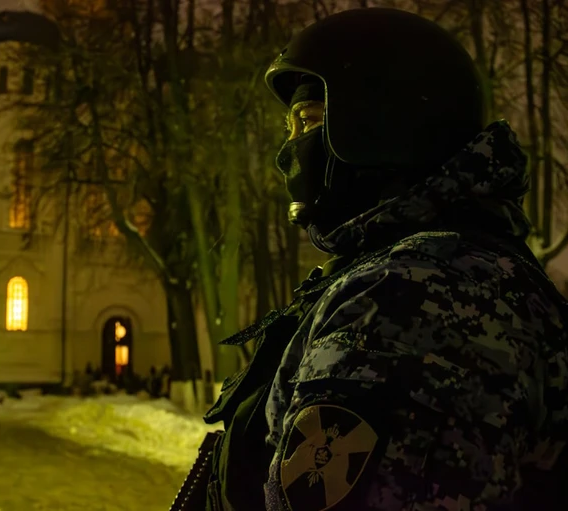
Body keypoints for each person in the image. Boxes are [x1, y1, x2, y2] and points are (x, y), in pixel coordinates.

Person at [198, 8, 568, 511]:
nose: (289, 151)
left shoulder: (409, 299)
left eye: (307, 121)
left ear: (377, 121)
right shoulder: (458, 270)